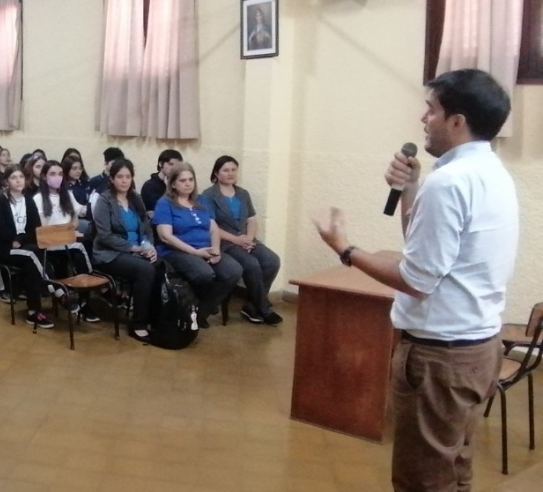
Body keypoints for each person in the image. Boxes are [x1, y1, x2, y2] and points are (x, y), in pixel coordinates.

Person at [315, 68, 517, 492]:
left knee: (422, 480)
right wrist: (411, 189)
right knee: (455, 469)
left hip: (441, 359)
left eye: (431, 110)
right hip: (479, 347)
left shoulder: (449, 183)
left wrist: (346, 250)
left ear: (457, 121)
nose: (423, 119)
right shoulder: (490, 171)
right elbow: (426, 251)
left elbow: (417, 280)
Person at [154, 164, 242, 329]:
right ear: (173, 184)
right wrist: (194, 252)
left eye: (191, 179)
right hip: (177, 251)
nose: (188, 183)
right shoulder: (165, 203)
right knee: (204, 273)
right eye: (182, 180)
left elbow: (214, 229)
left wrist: (216, 249)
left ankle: (200, 313)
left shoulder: (201, 200)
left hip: (206, 249)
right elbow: (166, 236)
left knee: (233, 271)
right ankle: (189, 308)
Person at [201, 156, 283, 326]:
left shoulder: (243, 194)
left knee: (272, 260)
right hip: (226, 241)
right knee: (251, 264)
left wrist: (249, 238)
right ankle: (264, 309)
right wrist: (237, 240)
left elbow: (252, 219)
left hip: (246, 239)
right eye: (225, 170)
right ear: (216, 173)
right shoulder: (209, 195)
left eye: (233, 170)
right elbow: (211, 226)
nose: (230, 173)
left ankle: (252, 306)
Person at [92, 159, 157, 343]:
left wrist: (149, 247)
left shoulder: (136, 198)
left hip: (138, 250)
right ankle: (138, 324)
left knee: (161, 266)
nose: (124, 180)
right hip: (110, 254)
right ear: (112, 179)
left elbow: (146, 228)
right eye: (120, 176)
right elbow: (105, 236)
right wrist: (133, 248)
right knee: (145, 270)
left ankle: (156, 317)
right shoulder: (105, 201)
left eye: (128, 176)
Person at [0, 165, 53, 329]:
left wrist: (20, 239)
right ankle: (57, 291)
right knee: (33, 255)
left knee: (34, 259)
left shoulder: (28, 200)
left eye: (21, 177)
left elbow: (35, 228)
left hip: (23, 246)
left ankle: (33, 311)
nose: (18, 180)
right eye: (14, 177)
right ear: (7, 181)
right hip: (3, 248)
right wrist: (15, 239)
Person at [32, 161, 98, 321]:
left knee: (82, 254)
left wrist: (66, 229)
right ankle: (62, 295)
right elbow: (44, 227)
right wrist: (65, 230)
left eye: (60, 174)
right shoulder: (38, 199)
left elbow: (75, 221)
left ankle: (84, 302)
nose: (57, 177)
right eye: (53, 174)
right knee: (43, 259)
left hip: (68, 244)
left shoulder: (67, 195)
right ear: (44, 177)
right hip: (49, 246)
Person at [140, 149, 183, 218]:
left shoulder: (179, 184)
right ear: (160, 164)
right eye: (170, 164)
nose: (174, 168)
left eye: (177, 166)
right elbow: (159, 209)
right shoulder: (149, 185)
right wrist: (168, 187)